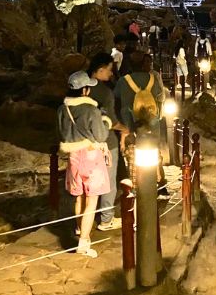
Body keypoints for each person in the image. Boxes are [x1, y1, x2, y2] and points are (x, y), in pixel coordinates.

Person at [58, 70, 111, 257]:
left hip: (73, 157)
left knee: (79, 197)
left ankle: (81, 230)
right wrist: (105, 119)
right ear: (85, 90)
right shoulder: (91, 110)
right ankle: (83, 243)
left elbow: (63, 133)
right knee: (92, 201)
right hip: (91, 157)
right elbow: (101, 134)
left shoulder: (62, 109)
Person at [114, 52, 168, 196]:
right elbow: (160, 96)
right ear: (144, 64)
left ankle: (133, 186)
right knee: (154, 153)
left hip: (129, 123)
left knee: (132, 155)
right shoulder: (152, 79)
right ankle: (160, 183)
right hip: (151, 123)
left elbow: (117, 97)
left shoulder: (123, 81)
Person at [86, 53, 125, 232]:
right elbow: (112, 120)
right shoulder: (104, 92)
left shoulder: (79, 89)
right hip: (106, 141)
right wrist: (125, 129)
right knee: (108, 180)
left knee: (86, 182)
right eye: (109, 70)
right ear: (100, 70)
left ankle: (82, 222)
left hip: (83, 143)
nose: (111, 74)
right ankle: (106, 219)